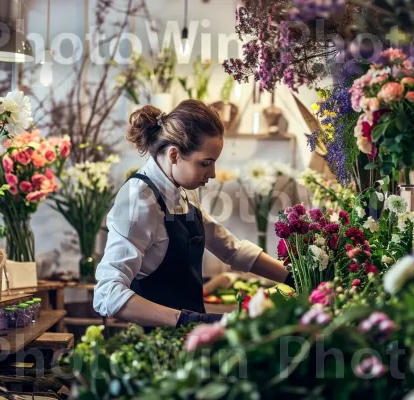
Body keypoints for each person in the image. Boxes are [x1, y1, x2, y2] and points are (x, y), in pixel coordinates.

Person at [93, 100, 294, 328]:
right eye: (205, 163)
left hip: (189, 337)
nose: (213, 173)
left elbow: (230, 249)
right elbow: (107, 294)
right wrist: (185, 320)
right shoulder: (138, 200)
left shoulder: (182, 191)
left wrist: (292, 276)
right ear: (174, 155)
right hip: (155, 342)